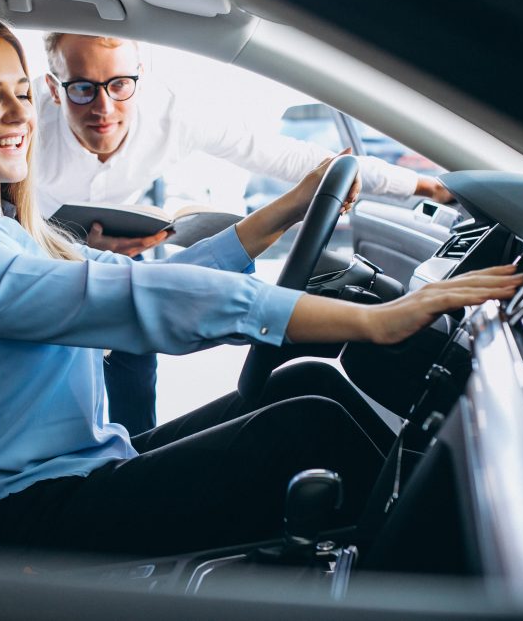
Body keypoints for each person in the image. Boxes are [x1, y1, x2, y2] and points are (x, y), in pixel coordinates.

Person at [0, 13, 522, 556]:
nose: (21, 112)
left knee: (306, 383)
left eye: (19, 90)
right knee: (303, 429)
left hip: (89, 467)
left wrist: (291, 206)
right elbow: (140, 302)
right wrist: (376, 320)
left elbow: (152, 278)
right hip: (37, 514)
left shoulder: (1, 230)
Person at [36, 32, 453, 434]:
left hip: (120, 254)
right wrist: (64, 250)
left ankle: (132, 456)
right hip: (39, 259)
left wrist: (425, 186)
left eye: (120, 84)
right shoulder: (22, 123)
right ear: (55, 89)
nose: (104, 107)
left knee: (136, 360)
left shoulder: (172, 116)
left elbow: (292, 157)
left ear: (139, 75)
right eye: (83, 90)